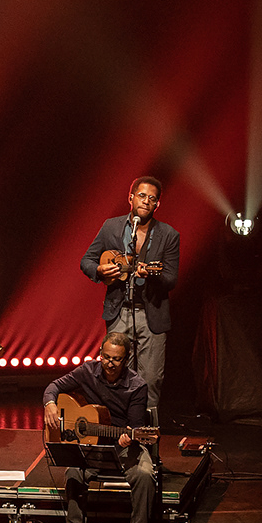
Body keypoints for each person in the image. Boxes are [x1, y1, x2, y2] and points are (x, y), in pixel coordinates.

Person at [45, 334, 154, 523]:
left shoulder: (136, 386)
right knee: (73, 472)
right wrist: (50, 404)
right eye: (106, 357)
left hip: (122, 445)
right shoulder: (87, 371)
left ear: (126, 360)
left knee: (144, 475)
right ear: (100, 354)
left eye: (116, 359)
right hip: (90, 446)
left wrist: (129, 437)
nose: (110, 364)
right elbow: (54, 386)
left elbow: (135, 427)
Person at [80, 176, 180, 420]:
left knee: (151, 379)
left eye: (152, 198)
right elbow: (87, 261)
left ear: (157, 205)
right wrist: (100, 270)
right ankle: (118, 432)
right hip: (118, 312)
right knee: (115, 373)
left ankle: (147, 436)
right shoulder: (111, 227)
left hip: (151, 316)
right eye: (142, 195)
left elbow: (170, 278)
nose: (146, 201)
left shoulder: (168, 234)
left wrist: (152, 275)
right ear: (131, 197)